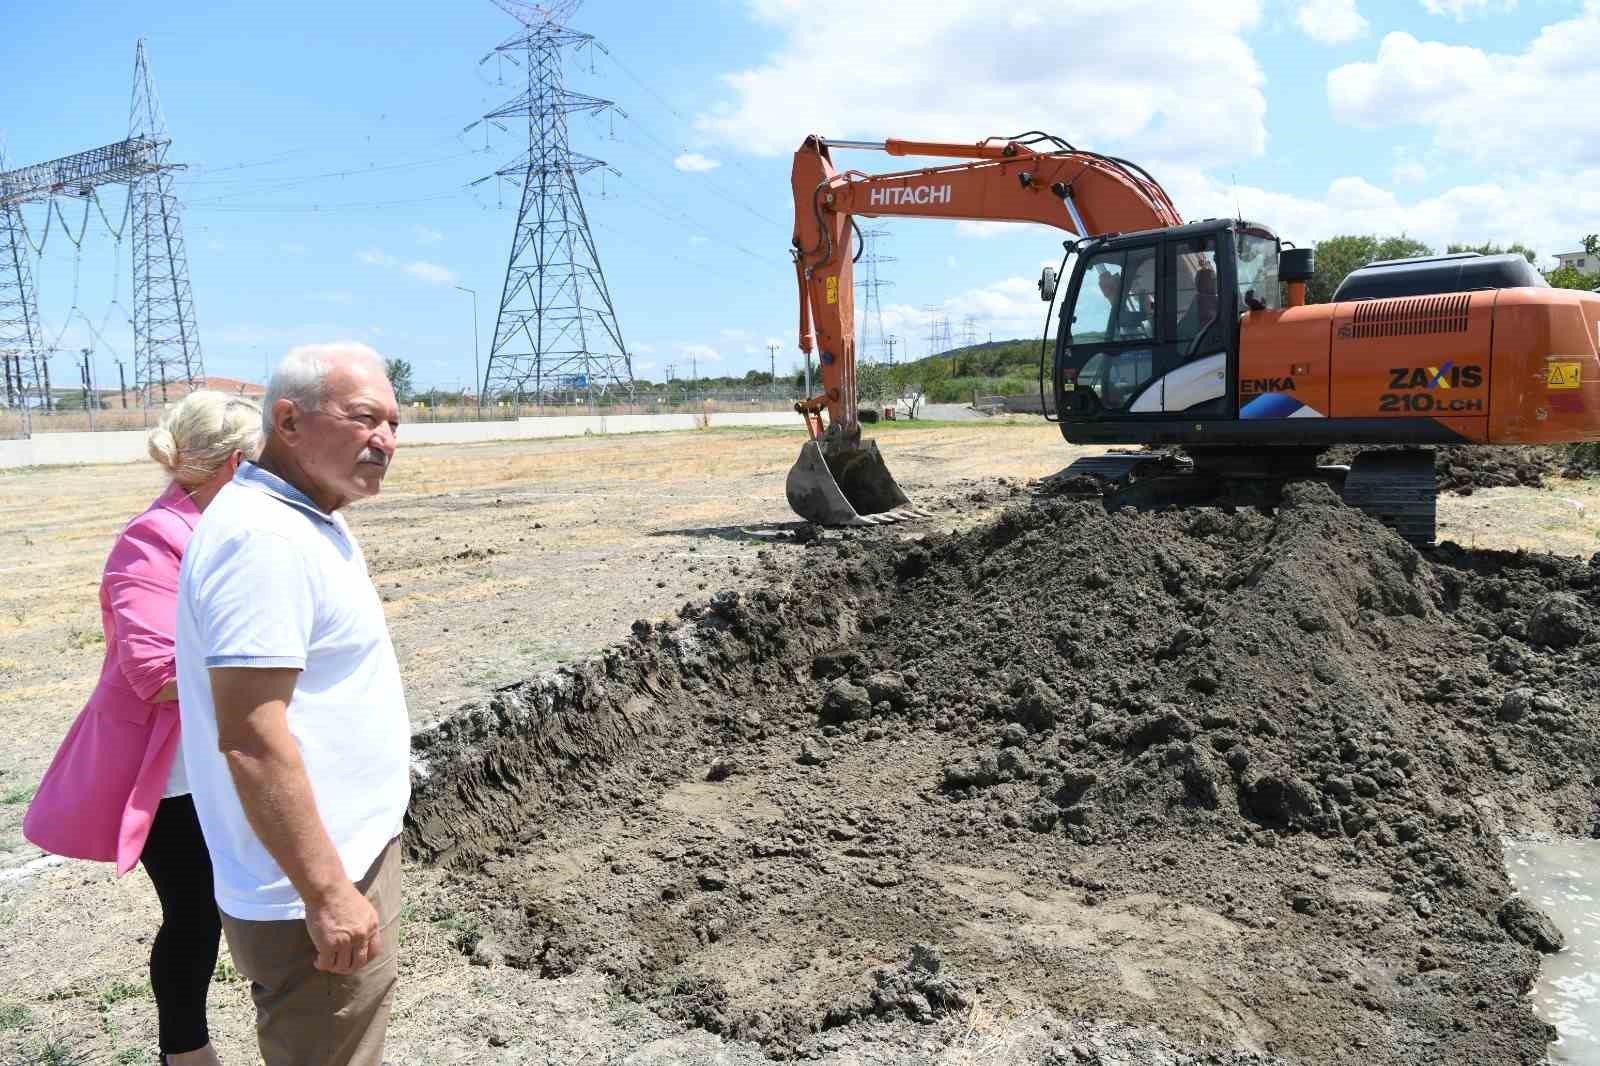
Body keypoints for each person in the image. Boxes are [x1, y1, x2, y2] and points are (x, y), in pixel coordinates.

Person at [174, 342, 409, 1066]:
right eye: (364, 417)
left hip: (339, 859)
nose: (386, 441)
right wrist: (327, 891)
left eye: (395, 423)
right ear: (289, 421)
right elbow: (250, 736)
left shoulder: (307, 516)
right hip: (306, 886)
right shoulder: (263, 540)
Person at [25, 390, 263, 1066]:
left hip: (219, 757)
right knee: (194, 913)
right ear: (237, 466)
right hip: (171, 774)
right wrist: (271, 669)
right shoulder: (153, 539)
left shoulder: (231, 532)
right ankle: (185, 1051)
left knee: (219, 907)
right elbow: (155, 674)